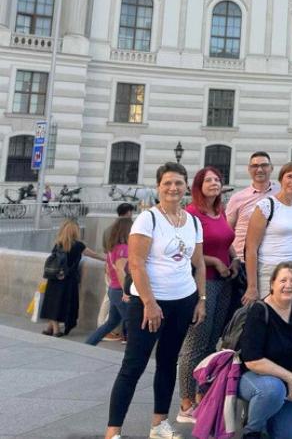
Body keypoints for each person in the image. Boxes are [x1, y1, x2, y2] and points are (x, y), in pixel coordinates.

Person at [104, 162, 207, 439]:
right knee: (133, 366)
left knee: (168, 362)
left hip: (183, 301)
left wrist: (201, 299)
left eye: (178, 183)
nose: (173, 188)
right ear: (159, 187)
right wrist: (150, 303)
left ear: (186, 186)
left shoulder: (193, 221)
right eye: (167, 183)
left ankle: (159, 424)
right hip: (149, 303)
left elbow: (198, 264)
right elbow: (136, 263)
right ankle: (113, 431)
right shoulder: (147, 219)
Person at [177, 167, 237, 424]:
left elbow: (226, 241)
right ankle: (186, 402)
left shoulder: (219, 211)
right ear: (198, 186)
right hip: (203, 283)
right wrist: (215, 262)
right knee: (195, 342)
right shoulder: (191, 213)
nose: (214, 183)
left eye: (217, 179)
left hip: (224, 283)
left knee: (213, 340)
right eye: (208, 180)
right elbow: (189, 250)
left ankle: (202, 394)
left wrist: (234, 259)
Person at [237, 261, 292, 439]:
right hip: (255, 378)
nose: (288, 285)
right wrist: (290, 378)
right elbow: (252, 360)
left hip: (285, 385)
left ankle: (265, 412)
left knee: (290, 435)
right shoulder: (259, 311)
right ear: (272, 284)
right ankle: (252, 431)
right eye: (283, 280)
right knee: (272, 391)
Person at [243, 162, 292, 305]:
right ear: (281, 179)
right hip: (270, 271)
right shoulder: (266, 206)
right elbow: (251, 248)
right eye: (289, 176)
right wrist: (252, 286)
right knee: (269, 313)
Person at [41, 218, 103, 336]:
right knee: (63, 304)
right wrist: (106, 259)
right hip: (68, 280)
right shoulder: (78, 245)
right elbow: (93, 254)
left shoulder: (58, 244)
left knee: (53, 303)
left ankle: (49, 327)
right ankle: (56, 330)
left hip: (54, 278)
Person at [86, 218, 133, 346]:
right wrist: (126, 291)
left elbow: (109, 268)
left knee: (111, 323)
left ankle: (88, 344)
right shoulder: (124, 248)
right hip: (120, 291)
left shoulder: (113, 248)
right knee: (132, 323)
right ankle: (134, 352)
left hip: (114, 289)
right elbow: (120, 270)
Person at [227, 151, 280, 262]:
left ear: (271, 168)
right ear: (249, 169)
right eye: (255, 166)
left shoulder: (280, 195)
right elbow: (227, 232)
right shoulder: (237, 198)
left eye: (264, 165)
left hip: (272, 259)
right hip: (242, 260)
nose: (259, 170)